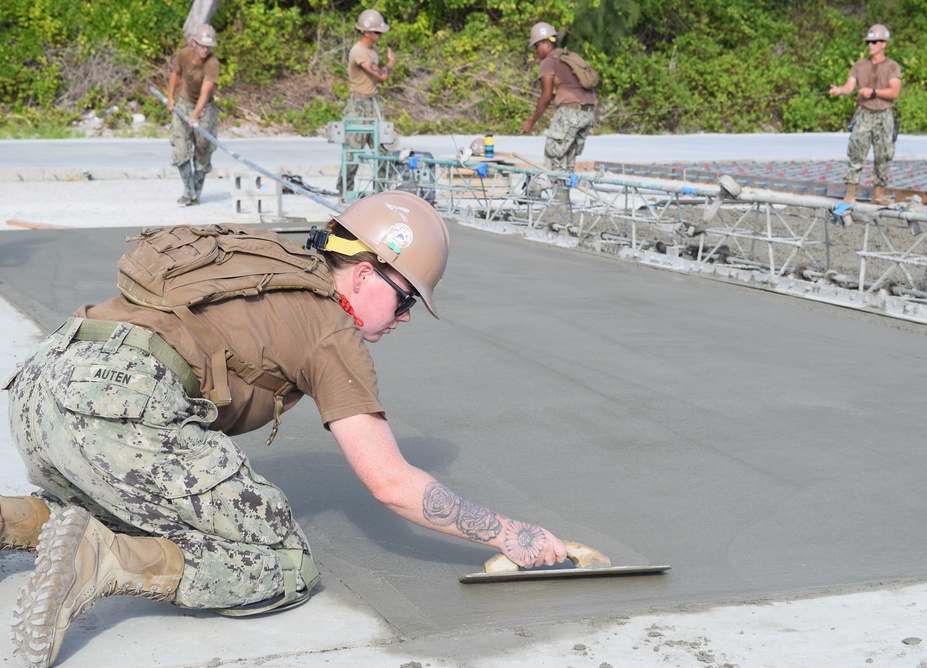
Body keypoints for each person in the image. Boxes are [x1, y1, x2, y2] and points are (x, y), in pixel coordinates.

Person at [3, 191, 567, 668]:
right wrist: (509, 535)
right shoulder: (331, 330)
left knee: (135, 502)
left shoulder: (271, 263)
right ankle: (105, 561)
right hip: (118, 410)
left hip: (42, 386)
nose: (405, 318)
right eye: (403, 300)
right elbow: (390, 482)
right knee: (284, 563)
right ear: (367, 274)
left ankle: (16, 520)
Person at [829, 24, 902, 205]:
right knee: (856, 152)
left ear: (884, 43)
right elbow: (849, 87)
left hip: (884, 115)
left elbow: (894, 92)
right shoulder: (859, 66)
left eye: (874, 41)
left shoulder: (892, 67)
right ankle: (850, 193)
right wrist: (840, 90)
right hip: (863, 114)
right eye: (869, 42)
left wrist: (874, 93)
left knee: (883, 155)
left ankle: (878, 193)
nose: (870, 45)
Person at [520, 22, 597, 179]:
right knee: (567, 162)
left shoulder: (548, 61)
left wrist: (531, 122)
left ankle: (557, 202)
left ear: (546, 43)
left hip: (570, 114)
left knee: (554, 160)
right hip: (587, 114)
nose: (535, 51)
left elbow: (546, 96)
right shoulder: (567, 57)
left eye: (536, 46)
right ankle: (563, 201)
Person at [338, 9, 396, 196]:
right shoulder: (358, 52)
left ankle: (381, 191)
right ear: (366, 32)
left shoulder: (372, 51)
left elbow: (377, 78)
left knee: (383, 148)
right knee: (353, 152)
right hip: (358, 105)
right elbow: (382, 75)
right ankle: (344, 192)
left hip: (373, 103)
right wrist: (390, 64)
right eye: (377, 32)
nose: (380, 35)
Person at [166, 23, 220, 207]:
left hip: (205, 108)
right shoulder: (184, 55)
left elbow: (206, 92)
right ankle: (188, 191)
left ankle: (197, 190)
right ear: (194, 43)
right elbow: (175, 73)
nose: (205, 50)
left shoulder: (212, 64)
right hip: (184, 103)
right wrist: (170, 98)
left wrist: (196, 114)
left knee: (203, 148)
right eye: (203, 45)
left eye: (209, 47)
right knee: (180, 147)